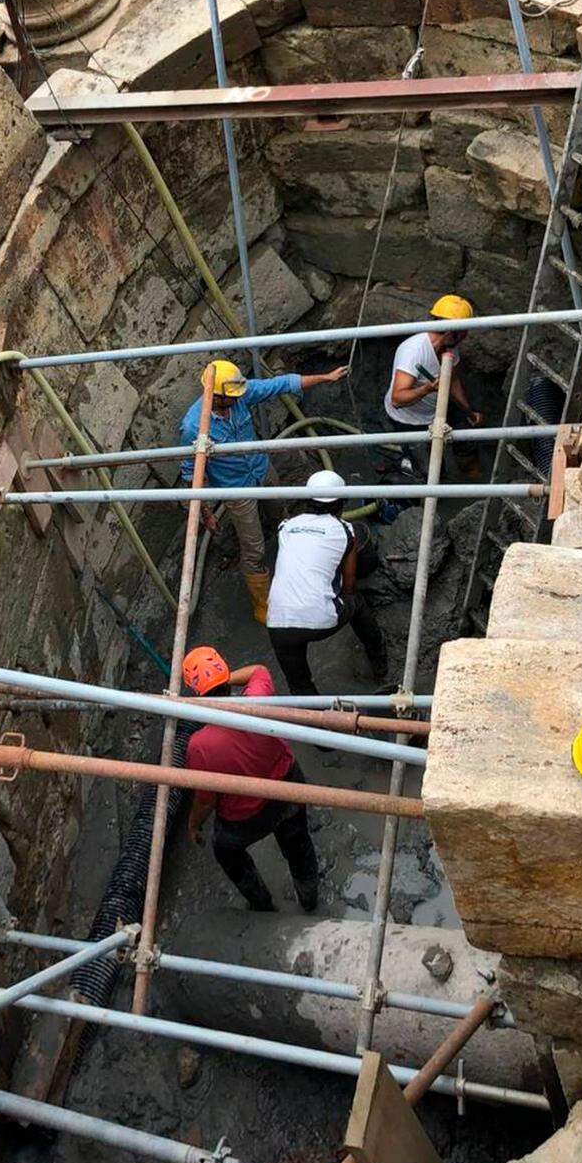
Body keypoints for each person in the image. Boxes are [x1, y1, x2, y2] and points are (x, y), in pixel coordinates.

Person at [179, 358, 349, 622]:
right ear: (216, 395)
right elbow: (192, 475)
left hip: (261, 469)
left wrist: (324, 377)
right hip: (237, 491)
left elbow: (280, 384)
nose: (239, 399)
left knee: (280, 514)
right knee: (254, 548)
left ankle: (290, 548)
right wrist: (206, 513)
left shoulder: (239, 395)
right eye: (232, 397)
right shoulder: (193, 427)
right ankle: (264, 605)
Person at [183, 646, 319, 913]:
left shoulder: (199, 746)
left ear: (195, 692)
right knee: (298, 844)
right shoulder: (258, 698)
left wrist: (193, 825)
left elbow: (206, 800)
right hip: (287, 787)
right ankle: (309, 897)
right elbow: (258, 670)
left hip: (244, 816)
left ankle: (261, 904)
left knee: (226, 851)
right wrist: (222, 678)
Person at [267, 470, 388, 695]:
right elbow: (349, 585)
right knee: (355, 602)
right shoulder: (344, 530)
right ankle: (378, 660)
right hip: (320, 619)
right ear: (341, 503)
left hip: (277, 621)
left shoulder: (286, 526)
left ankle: (315, 715)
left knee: (299, 684)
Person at [383, 295, 484, 480]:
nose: (467, 335)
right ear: (451, 332)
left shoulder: (450, 346)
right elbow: (397, 399)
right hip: (410, 421)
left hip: (439, 405)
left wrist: (468, 412)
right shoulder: (414, 352)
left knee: (466, 441)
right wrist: (427, 389)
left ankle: (473, 476)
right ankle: (416, 471)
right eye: (464, 331)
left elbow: (453, 380)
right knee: (430, 469)